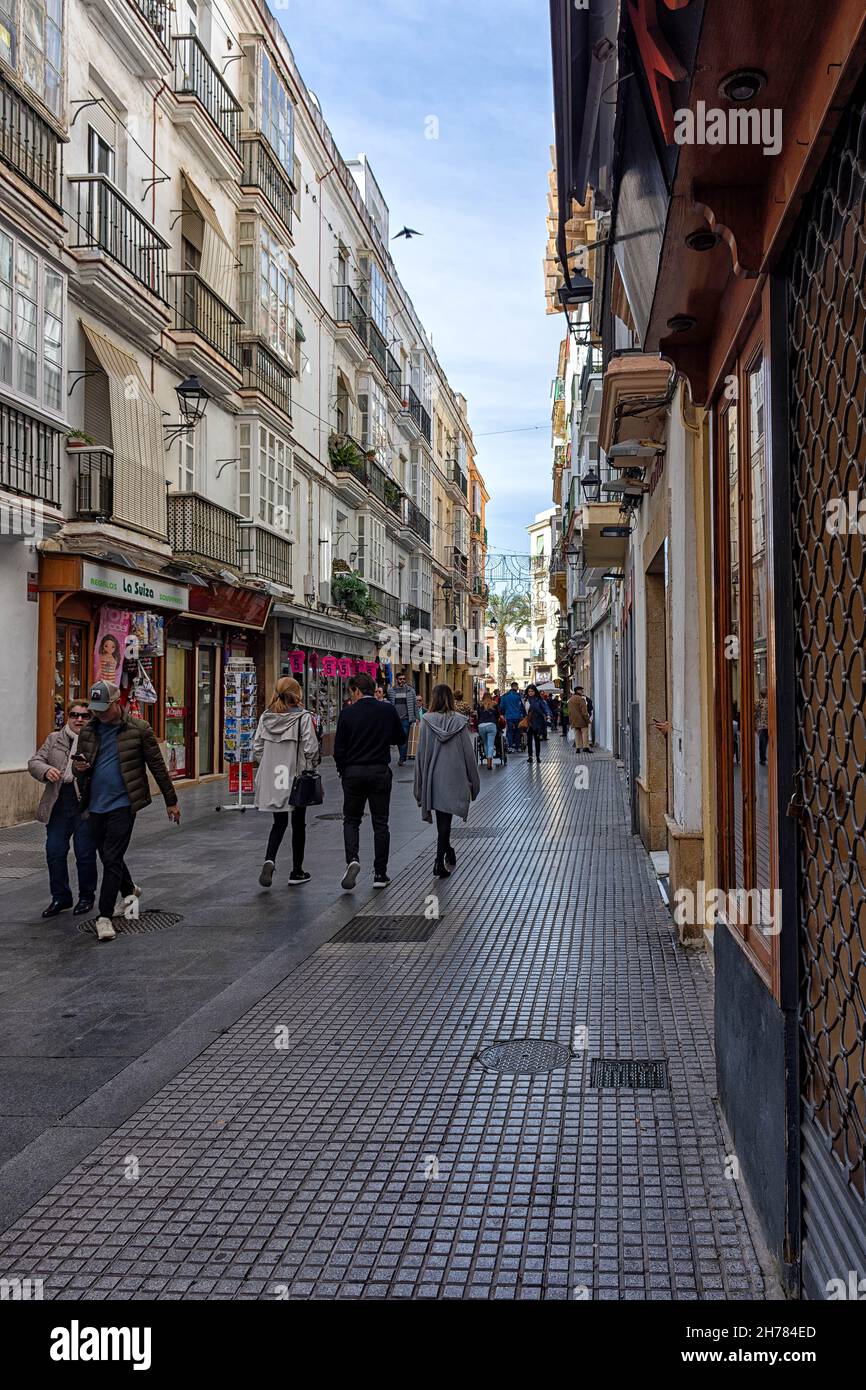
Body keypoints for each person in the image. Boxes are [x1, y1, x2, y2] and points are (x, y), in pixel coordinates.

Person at [72, 681, 179, 942]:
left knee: (111, 859)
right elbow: (78, 768)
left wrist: (171, 800)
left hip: (124, 803)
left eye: (103, 708)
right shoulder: (88, 731)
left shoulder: (139, 729)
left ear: (117, 702)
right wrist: (80, 769)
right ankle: (130, 889)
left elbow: (157, 766)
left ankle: (104, 917)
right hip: (94, 805)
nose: (98, 714)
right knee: (109, 856)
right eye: (94, 709)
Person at [334, 671, 405, 890]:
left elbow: (339, 749)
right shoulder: (386, 709)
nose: (351, 696)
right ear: (373, 689)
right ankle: (380, 874)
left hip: (353, 773)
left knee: (351, 820)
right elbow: (400, 738)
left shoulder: (347, 714)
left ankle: (352, 860)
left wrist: (342, 771)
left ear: (356, 690)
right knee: (380, 822)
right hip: (379, 771)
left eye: (351, 692)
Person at [28, 700, 98, 919]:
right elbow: (34, 761)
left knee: (84, 853)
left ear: (91, 718)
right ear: (68, 717)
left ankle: (86, 897)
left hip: (85, 803)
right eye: (75, 715)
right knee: (55, 851)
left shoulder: (97, 740)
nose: (79, 719)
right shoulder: (54, 739)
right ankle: (60, 897)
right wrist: (46, 769)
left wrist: (89, 770)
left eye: (84, 716)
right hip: (58, 802)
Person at [253, 676, 320, 888]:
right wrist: (310, 766)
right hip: (295, 777)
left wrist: (271, 763)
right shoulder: (303, 718)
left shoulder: (266, 717)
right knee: (298, 824)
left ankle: (269, 860)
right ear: (297, 693)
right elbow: (311, 749)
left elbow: (257, 748)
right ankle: (296, 871)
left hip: (275, 777)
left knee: (279, 823)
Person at [414, 684, 480, 878]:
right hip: (454, 777)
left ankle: (443, 855)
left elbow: (421, 754)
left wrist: (418, 786)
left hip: (433, 778)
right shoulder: (460, 722)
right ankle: (440, 859)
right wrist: (474, 784)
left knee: (442, 822)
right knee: (445, 821)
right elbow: (469, 755)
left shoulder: (426, 721)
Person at [387, 670, 418, 766]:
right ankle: (402, 755)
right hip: (395, 720)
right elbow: (389, 705)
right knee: (397, 739)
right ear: (396, 680)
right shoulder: (391, 691)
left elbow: (415, 705)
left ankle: (402, 757)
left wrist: (417, 717)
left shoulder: (411, 691)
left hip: (406, 719)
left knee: (403, 739)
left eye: (404, 679)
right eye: (400, 679)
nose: (403, 680)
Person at [524, 684, 547, 763]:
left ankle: (537, 756)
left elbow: (545, 708)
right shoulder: (525, 700)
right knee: (529, 741)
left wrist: (548, 715)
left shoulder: (539, 700)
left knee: (537, 740)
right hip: (528, 722)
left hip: (537, 722)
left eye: (532, 691)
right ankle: (530, 756)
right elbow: (522, 710)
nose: (530, 693)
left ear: (535, 692)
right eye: (529, 691)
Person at [476, 692, 499, 770]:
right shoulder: (494, 705)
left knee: (485, 743)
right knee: (490, 744)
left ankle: (487, 758)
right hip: (491, 725)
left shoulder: (480, 706)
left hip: (481, 726)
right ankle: (489, 761)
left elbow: (478, 717)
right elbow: (497, 716)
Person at [499, 681, 524, 752]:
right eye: (517, 687)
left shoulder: (505, 696)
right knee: (517, 732)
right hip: (518, 717)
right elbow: (522, 706)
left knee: (509, 731)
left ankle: (510, 747)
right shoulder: (519, 696)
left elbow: (501, 707)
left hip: (509, 717)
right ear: (515, 687)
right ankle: (517, 747)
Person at [568, 686, 590, 752]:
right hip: (582, 720)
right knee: (585, 732)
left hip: (574, 720)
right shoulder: (581, 699)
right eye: (581, 690)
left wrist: (570, 720)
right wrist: (587, 720)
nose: (582, 692)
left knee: (577, 733)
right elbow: (584, 711)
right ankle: (585, 747)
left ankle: (578, 748)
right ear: (577, 691)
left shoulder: (570, 700)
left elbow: (569, 711)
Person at [755, 688, 769, 765]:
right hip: (769, 726)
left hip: (761, 726)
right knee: (767, 742)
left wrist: (756, 723)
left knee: (762, 743)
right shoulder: (770, 702)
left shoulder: (758, 702)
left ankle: (762, 759)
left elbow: (756, 714)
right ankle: (764, 757)